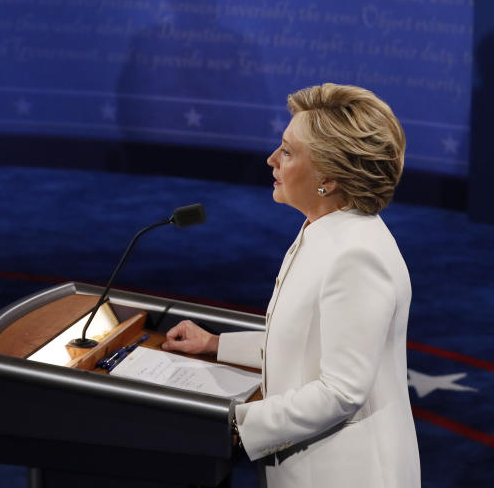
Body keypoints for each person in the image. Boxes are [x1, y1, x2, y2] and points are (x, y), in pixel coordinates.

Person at [162, 83, 419, 487]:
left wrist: (235, 423)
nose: (271, 160)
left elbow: (341, 392)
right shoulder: (325, 229)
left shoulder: (356, 256)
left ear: (329, 179)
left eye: (287, 151)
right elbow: (308, 343)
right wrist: (217, 345)